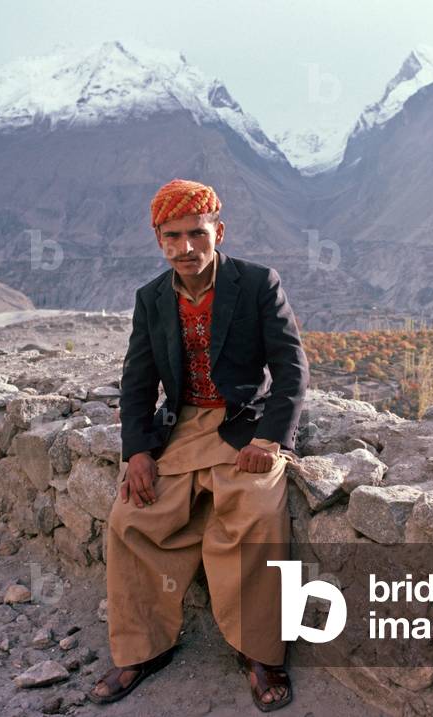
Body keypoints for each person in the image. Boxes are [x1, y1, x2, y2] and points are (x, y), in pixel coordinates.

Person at [88, 178, 309, 712]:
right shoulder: (151, 299)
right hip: (182, 426)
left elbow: (292, 369)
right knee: (132, 517)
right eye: (172, 236)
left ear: (219, 231)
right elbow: (137, 382)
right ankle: (144, 649)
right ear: (158, 239)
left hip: (243, 426)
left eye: (196, 233)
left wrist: (269, 439)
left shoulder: (257, 284)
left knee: (255, 510)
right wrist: (137, 451)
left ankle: (259, 654)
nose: (185, 247)